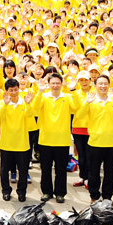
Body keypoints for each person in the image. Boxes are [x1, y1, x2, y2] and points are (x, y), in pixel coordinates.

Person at [77, 75, 113, 204]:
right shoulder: (91, 100)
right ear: (94, 85)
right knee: (94, 172)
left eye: (105, 83)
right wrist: (86, 103)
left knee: (109, 172)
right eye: (100, 83)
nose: (103, 86)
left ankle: (107, 197)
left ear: (109, 85)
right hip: (95, 142)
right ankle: (94, 196)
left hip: (112, 142)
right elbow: (80, 116)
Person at [33, 73, 78, 204]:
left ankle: (60, 193)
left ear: (61, 84)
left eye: (58, 83)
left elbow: (77, 107)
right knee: (45, 168)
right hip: (45, 139)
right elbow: (34, 109)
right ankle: (46, 192)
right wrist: (39, 92)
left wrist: (73, 90)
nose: (55, 85)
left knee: (61, 169)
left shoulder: (67, 97)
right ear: (48, 84)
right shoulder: (43, 97)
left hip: (62, 140)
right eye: (53, 83)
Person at [0, 78, 32, 202]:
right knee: (4, 170)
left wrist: (28, 104)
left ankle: (22, 192)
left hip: (22, 142)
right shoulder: (2, 103)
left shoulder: (24, 102)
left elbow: (30, 115)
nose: (14, 93)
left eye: (16, 90)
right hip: (6, 142)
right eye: (11, 90)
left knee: (23, 170)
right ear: (7, 91)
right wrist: (5, 104)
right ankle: (6, 191)